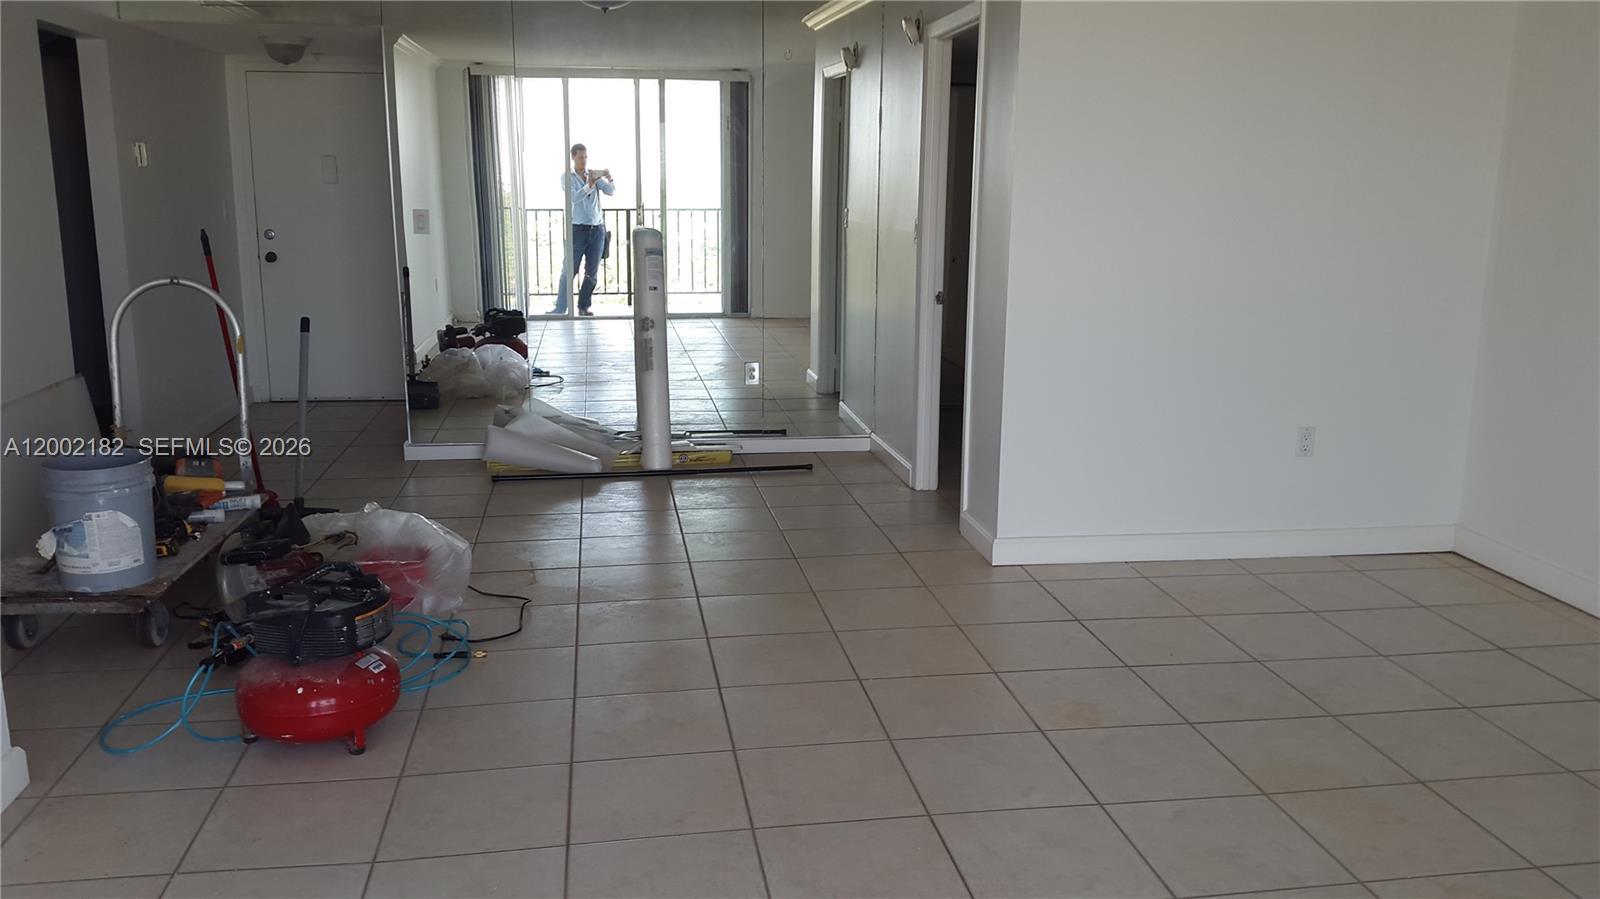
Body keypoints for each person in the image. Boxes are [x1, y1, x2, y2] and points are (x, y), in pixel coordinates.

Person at [552, 142, 614, 316]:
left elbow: (610, 191)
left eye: (586, 157)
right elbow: (574, 198)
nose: (584, 161)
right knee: (569, 269)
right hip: (577, 229)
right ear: (573, 157)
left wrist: (609, 178)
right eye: (580, 157)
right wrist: (590, 185)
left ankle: (583, 306)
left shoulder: (592, 175)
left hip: (597, 229)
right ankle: (561, 308)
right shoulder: (567, 177)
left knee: (592, 271)